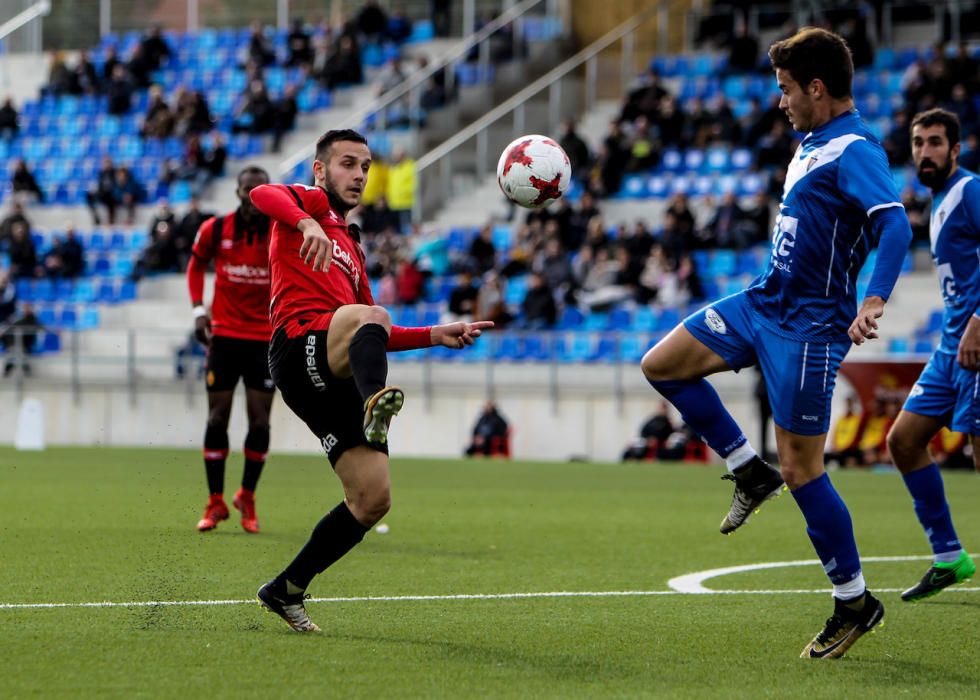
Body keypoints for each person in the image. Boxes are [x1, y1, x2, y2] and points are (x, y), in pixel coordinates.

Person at [640, 28, 913, 659]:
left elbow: (894, 225)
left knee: (804, 468)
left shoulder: (855, 148)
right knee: (662, 365)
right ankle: (746, 470)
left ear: (817, 89)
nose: (780, 100)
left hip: (811, 327)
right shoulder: (812, 142)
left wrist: (874, 298)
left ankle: (854, 601)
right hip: (764, 302)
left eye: (787, 89)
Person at [248, 128, 493, 632]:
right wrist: (306, 223)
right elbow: (261, 193)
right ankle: (374, 402)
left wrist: (434, 334)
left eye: (365, 165)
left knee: (371, 499)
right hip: (297, 347)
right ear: (321, 169)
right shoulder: (309, 204)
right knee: (368, 315)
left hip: (331, 362)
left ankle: (285, 589)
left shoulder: (353, 251)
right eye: (347, 163)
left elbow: (374, 332)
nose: (359, 174)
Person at [884, 108, 977, 601]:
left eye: (936, 142)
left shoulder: (970, 191)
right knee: (902, 441)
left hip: (978, 339)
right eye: (919, 143)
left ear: (955, 150)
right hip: (951, 346)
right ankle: (948, 557)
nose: (924, 151)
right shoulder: (938, 202)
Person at [186, 167, 275, 535]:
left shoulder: (279, 231)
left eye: (261, 192)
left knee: (259, 421)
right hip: (224, 336)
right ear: (238, 193)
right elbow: (195, 265)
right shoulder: (216, 229)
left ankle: (247, 496)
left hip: (265, 339)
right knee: (216, 418)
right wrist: (197, 309)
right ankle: (215, 501)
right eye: (248, 191)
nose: (254, 198)